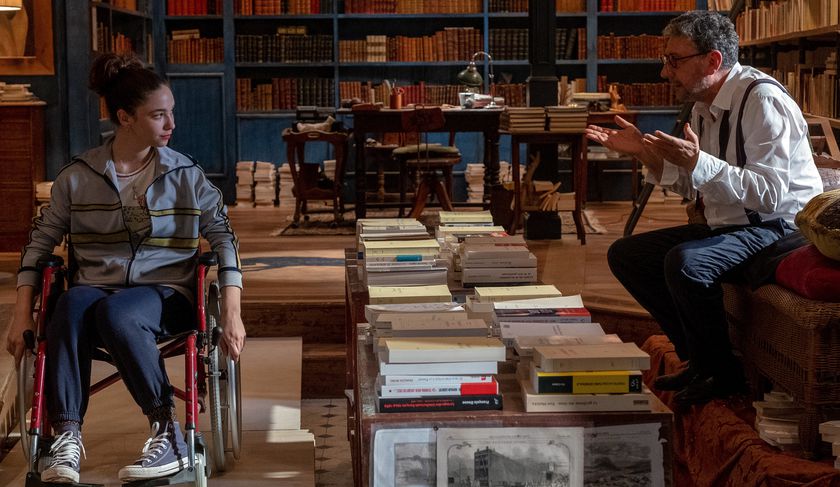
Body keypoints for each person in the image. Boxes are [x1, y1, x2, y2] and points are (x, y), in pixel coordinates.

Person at [5, 52, 246, 483]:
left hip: (166, 294)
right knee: (72, 303)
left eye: (171, 113)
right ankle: (66, 438)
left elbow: (224, 237)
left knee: (117, 311)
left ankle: (168, 431)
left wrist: (231, 310)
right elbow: (40, 243)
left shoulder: (185, 174)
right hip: (96, 292)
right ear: (125, 117)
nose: (171, 124)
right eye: (159, 115)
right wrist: (20, 313)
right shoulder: (77, 177)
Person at [585, 11, 823, 406]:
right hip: (730, 225)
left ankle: (724, 374)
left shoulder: (762, 100)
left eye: (674, 61)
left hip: (779, 228)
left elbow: (772, 195)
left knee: (687, 264)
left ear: (712, 61)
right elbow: (695, 184)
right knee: (628, 255)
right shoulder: (703, 104)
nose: (665, 73)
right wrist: (646, 153)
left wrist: (699, 162)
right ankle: (700, 359)